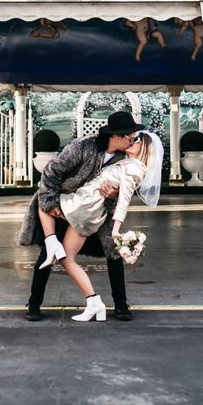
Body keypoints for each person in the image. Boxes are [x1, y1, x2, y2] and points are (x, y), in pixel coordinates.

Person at [17, 110, 146, 321]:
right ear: (116, 136)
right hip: (65, 203)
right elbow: (52, 171)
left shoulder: (126, 159)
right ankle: (34, 304)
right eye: (129, 135)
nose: (133, 139)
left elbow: (126, 195)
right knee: (48, 254)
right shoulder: (83, 146)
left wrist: (112, 196)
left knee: (113, 252)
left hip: (99, 211)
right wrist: (49, 202)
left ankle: (121, 305)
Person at [37, 131, 163, 322]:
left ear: (144, 148)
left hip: (84, 206)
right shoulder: (122, 160)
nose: (132, 141)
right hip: (87, 208)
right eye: (131, 137)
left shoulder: (135, 169)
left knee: (43, 204)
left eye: (136, 140)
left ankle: (51, 242)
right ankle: (94, 302)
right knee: (66, 259)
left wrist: (115, 229)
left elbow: (124, 201)